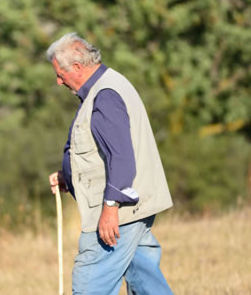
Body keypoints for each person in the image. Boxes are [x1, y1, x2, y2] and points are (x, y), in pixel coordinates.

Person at [47, 32, 174, 295]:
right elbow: (102, 153)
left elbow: (121, 156)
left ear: (78, 67)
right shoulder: (107, 85)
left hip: (116, 214)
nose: (58, 81)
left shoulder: (104, 95)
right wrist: (68, 176)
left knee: (90, 286)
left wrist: (110, 207)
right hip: (130, 210)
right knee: (146, 283)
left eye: (60, 74)